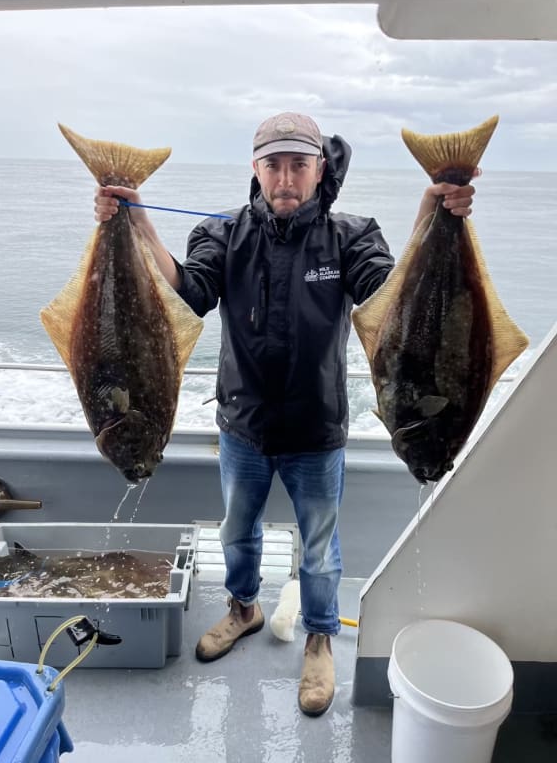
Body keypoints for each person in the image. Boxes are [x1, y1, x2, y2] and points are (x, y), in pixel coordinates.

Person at [94, 112, 476, 717]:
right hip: (243, 426)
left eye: (299, 163)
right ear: (256, 169)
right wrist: (136, 218)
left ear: (320, 168)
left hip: (316, 429)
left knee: (320, 548)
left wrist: (433, 218)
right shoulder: (222, 234)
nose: (286, 177)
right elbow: (188, 291)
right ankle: (243, 609)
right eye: (274, 164)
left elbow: (389, 297)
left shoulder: (352, 235)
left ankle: (320, 637)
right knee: (235, 534)